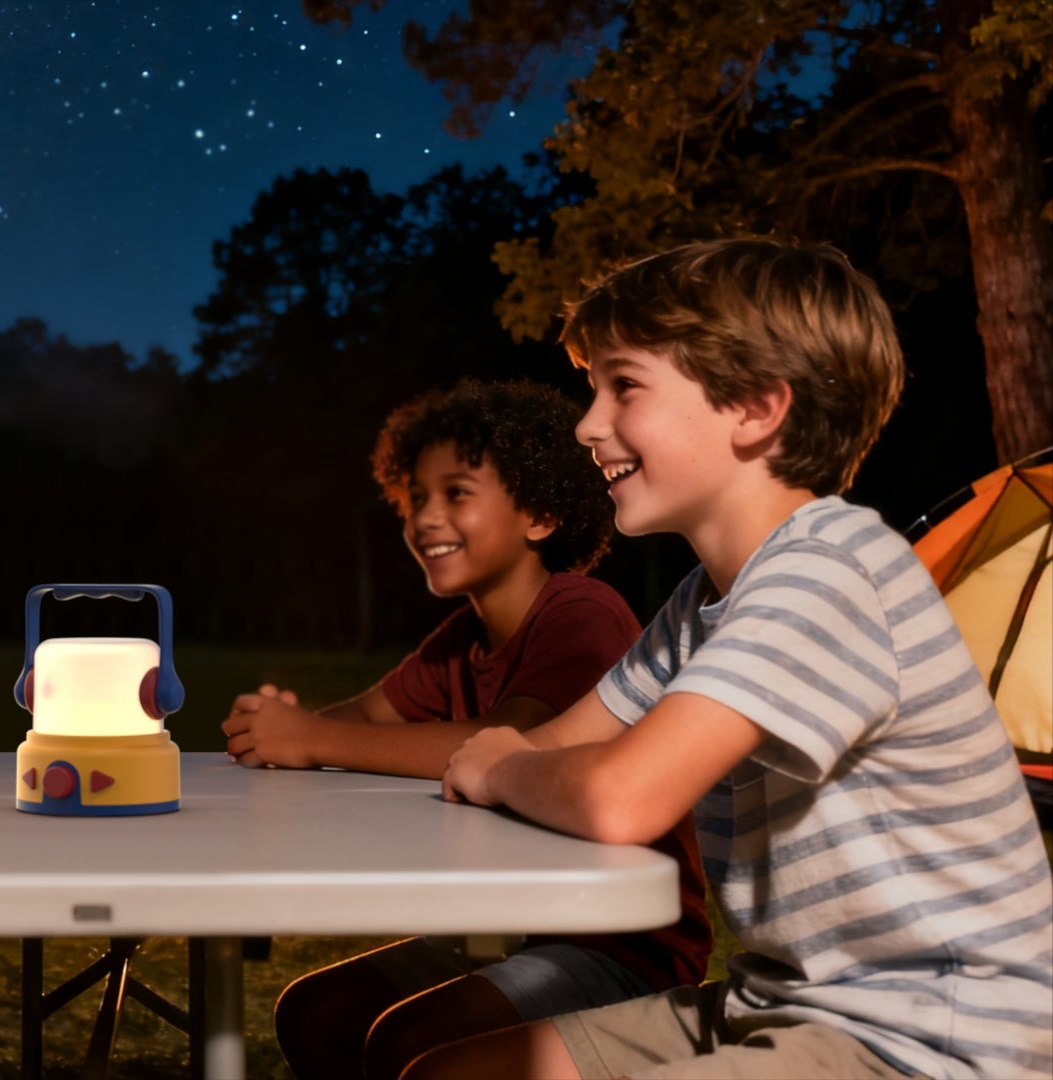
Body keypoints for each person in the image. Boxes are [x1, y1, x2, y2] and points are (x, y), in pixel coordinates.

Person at [425, 237, 1053, 1080]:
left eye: (625, 387)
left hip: (936, 1042)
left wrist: (501, 769)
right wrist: (511, 756)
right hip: (785, 1004)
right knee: (442, 1068)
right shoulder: (705, 601)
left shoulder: (829, 573)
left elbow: (617, 797)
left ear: (757, 409)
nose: (587, 425)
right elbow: (556, 744)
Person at [224, 379, 713, 1080]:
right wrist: (275, 729)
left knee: (407, 1043)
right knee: (315, 1013)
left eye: (455, 493)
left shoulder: (582, 613)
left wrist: (308, 739)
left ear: (540, 514)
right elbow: (362, 718)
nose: (424, 518)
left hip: (619, 947)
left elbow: (506, 743)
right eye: (415, 498)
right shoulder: (462, 639)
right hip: (511, 924)